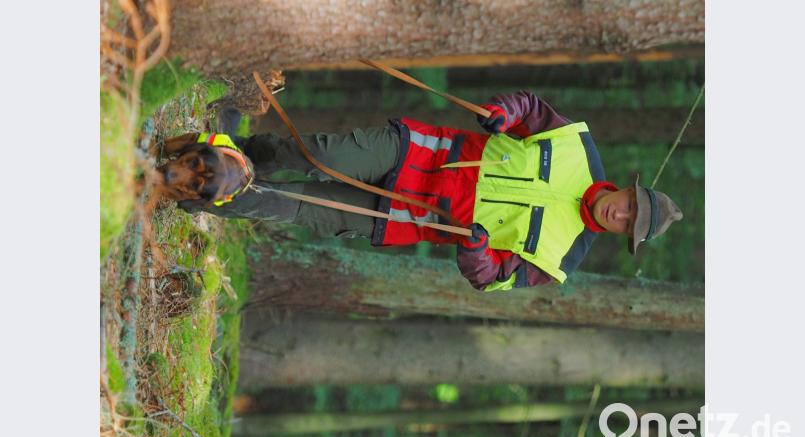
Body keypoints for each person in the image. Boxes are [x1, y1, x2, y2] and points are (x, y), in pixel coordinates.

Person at [163, 91, 683, 291]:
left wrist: (477, 254)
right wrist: (503, 112)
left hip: (410, 216)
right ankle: (229, 148)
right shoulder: (577, 144)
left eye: (626, 223)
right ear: (630, 191)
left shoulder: (561, 261)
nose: (619, 213)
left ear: (621, 235)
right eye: (630, 205)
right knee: (317, 155)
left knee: (297, 207)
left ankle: (201, 191)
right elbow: (529, 106)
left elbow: (495, 280)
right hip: (419, 152)